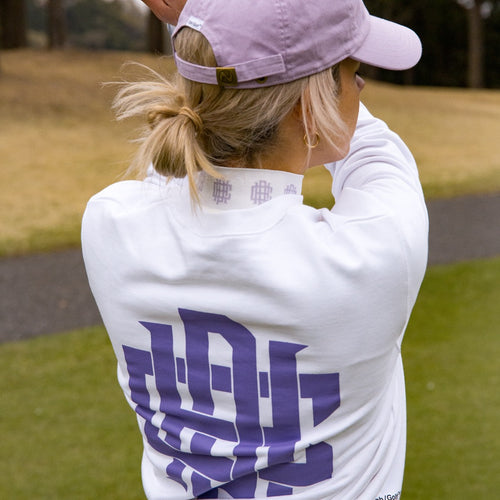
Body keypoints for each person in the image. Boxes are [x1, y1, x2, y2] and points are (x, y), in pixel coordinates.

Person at [82, 0, 428, 498]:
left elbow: (199, 134)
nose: (360, 86)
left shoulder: (109, 224)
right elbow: (373, 154)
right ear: (311, 107)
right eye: (352, 70)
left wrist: (211, 34)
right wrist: (204, 25)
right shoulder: (376, 250)